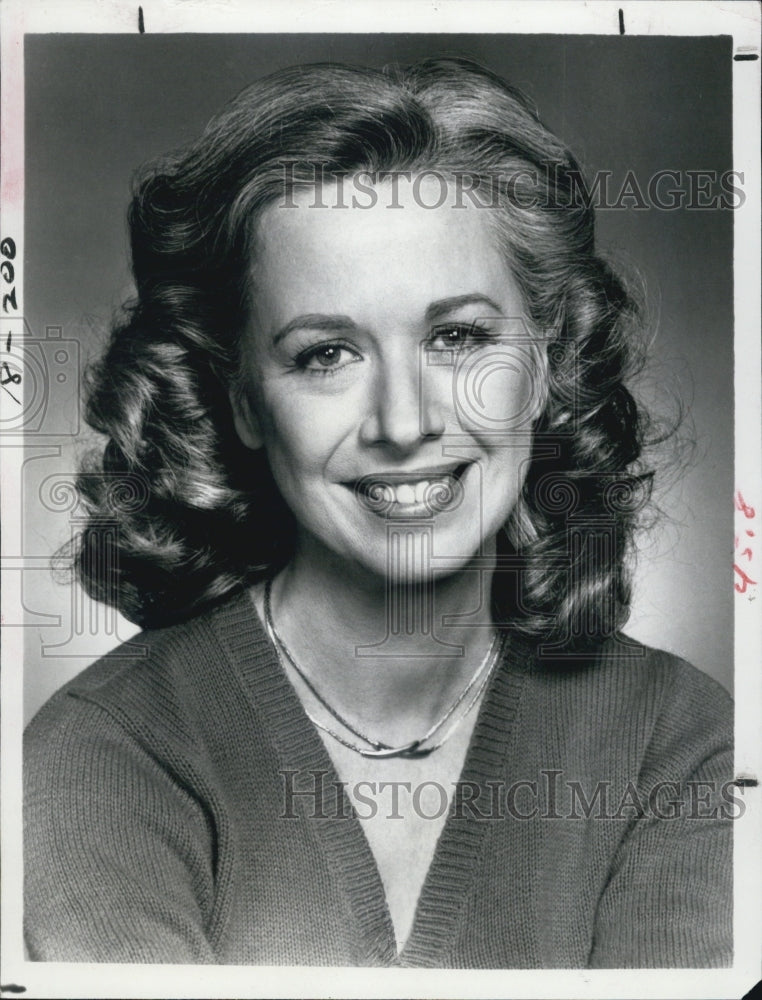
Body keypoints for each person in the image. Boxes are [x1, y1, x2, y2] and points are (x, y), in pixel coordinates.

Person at [24, 58, 733, 968]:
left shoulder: (673, 741)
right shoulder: (110, 751)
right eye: (326, 354)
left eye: (458, 338)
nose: (403, 422)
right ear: (243, 400)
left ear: (544, 363)